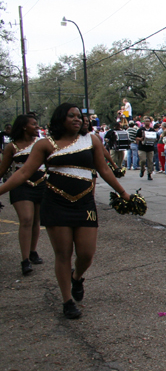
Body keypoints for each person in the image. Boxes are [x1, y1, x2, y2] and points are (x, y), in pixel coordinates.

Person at [0, 104, 132, 319]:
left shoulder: (91, 140)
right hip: (56, 203)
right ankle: (67, 301)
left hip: (84, 204)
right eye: (71, 116)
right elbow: (24, 172)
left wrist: (124, 194)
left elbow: (104, 169)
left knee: (86, 254)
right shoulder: (45, 144)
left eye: (79, 116)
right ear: (60, 119)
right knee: (63, 254)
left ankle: (77, 276)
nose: (77, 119)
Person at [0, 114, 46, 275]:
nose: (37, 126)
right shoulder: (12, 147)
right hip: (21, 185)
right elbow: (3, 169)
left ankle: (33, 252)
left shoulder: (41, 143)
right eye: (33, 124)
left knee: (36, 221)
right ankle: (25, 260)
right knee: (26, 219)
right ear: (24, 127)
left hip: (41, 184)